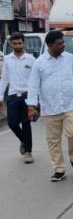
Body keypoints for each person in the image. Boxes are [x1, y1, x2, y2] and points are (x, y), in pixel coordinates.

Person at [26, 30, 73, 182]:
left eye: (63, 42)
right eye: (60, 43)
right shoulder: (39, 62)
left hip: (70, 104)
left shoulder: (70, 59)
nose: (63, 45)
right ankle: (59, 169)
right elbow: (33, 85)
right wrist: (31, 105)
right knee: (53, 140)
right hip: (50, 107)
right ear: (50, 45)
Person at [0, 32, 35, 164]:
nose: (17, 45)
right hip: (13, 95)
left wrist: (37, 99)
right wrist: (0, 96)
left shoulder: (31, 59)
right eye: (14, 43)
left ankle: (28, 152)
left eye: (19, 43)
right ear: (11, 45)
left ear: (24, 43)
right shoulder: (7, 59)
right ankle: (23, 141)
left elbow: (35, 80)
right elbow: (4, 79)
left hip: (27, 96)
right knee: (12, 123)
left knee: (26, 123)